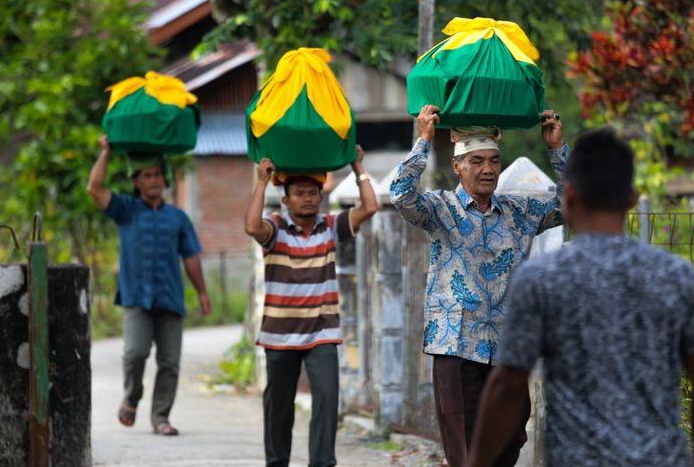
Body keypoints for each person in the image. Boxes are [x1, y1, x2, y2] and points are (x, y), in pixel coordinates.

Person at [468, 129, 694, 467]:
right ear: (631, 198)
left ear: (569, 196)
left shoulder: (542, 278)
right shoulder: (675, 276)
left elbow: (507, 386)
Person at [389, 105, 567, 467]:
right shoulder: (441, 210)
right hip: (456, 346)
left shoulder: (520, 212)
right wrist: (423, 142)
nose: (487, 169)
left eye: (493, 161)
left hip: (508, 348)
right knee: (467, 451)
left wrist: (556, 150)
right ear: (457, 166)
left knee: (513, 435)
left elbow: (574, 204)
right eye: (476, 161)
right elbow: (400, 195)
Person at [245, 145, 378, 467]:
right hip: (280, 335)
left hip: (322, 333)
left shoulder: (330, 227)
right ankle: (277, 462)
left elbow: (370, 207)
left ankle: (322, 462)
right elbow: (251, 227)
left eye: (313, 192)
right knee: (278, 406)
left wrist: (357, 167)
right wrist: (262, 182)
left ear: (321, 196)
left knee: (327, 398)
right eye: (300, 193)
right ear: (286, 199)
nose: (307, 198)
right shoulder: (275, 229)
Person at [87, 135, 212, 436]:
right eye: (147, 175)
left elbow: (192, 256)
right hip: (136, 298)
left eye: (157, 174)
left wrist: (202, 293)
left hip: (170, 297)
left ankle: (160, 417)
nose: (154, 180)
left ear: (165, 179)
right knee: (135, 354)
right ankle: (131, 396)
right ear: (137, 181)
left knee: (169, 362)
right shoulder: (126, 210)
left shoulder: (178, 218)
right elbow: (94, 188)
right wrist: (105, 152)